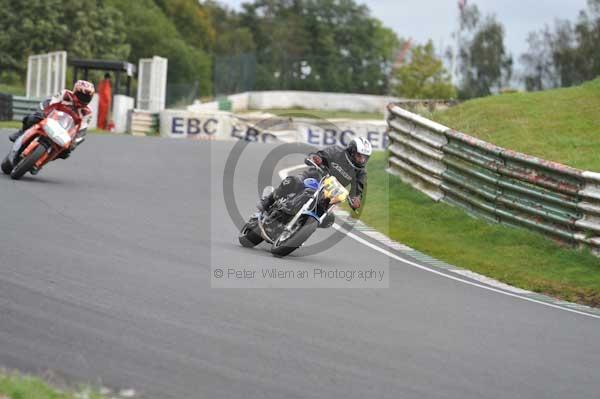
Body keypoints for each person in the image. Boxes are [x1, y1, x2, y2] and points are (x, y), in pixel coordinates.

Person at [259, 137, 372, 226]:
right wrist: (316, 158)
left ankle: (300, 227)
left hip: (331, 193)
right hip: (314, 177)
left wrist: (356, 199)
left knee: (328, 220)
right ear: (352, 151)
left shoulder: (361, 172)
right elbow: (320, 155)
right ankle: (268, 200)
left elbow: (358, 190)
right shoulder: (337, 151)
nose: (361, 160)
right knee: (292, 182)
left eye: (364, 158)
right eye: (359, 156)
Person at [9, 80, 95, 158]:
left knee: (66, 152)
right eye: (81, 95)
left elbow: (83, 128)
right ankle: (21, 132)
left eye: (87, 97)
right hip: (50, 118)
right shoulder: (65, 94)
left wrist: (74, 142)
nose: (83, 99)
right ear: (75, 91)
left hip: (65, 130)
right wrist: (42, 113)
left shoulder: (88, 112)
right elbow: (50, 102)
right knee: (32, 118)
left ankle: (43, 159)